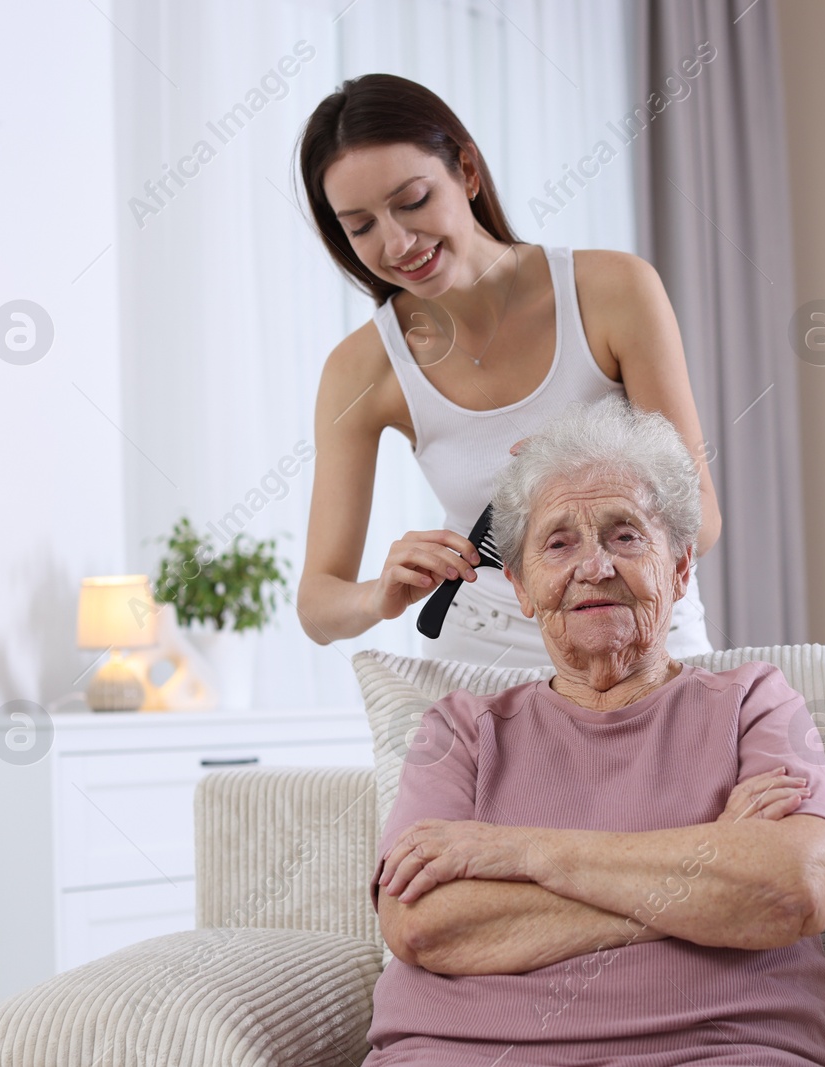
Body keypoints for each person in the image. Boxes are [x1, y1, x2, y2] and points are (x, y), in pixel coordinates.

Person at [363, 396, 825, 1066]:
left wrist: (517, 854)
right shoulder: (461, 730)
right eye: (559, 542)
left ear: (679, 569)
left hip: (718, 1047)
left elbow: (789, 890)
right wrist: (703, 878)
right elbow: (421, 924)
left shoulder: (753, 703)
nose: (593, 566)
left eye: (625, 535)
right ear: (522, 585)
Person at [294, 72, 720, 667]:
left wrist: (578, 468)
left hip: (645, 650)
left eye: (412, 201)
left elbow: (699, 520)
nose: (396, 243)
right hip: (487, 670)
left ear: (466, 171)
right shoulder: (361, 369)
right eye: (361, 226)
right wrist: (378, 594)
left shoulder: (614, 291)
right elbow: (317, 607)